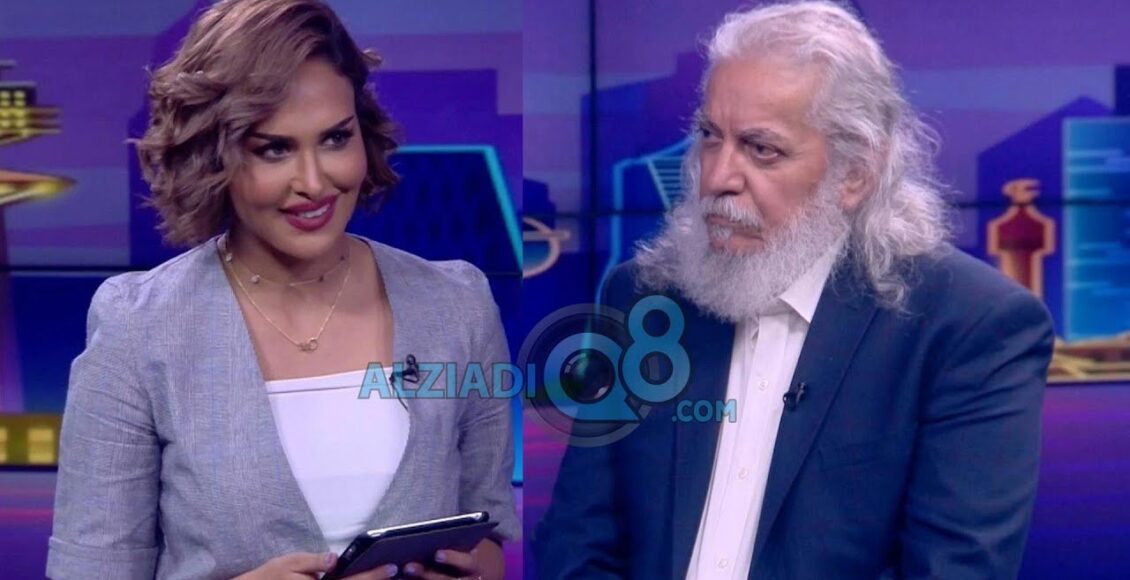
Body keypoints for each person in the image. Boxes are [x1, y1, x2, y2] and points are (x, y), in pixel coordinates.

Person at [533, 1, 1054, 578]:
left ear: (854, 174)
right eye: (710, 136)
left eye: (762, 149)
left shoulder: (970, 327)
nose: (717, 177)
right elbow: (576, 544)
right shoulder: (643, 297)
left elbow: (953, 570)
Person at [46, 1, 518, 578]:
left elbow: (490, 534)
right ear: (213, 156)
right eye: (274, 149)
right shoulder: (140, 327)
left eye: (336, 139)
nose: (314, 182)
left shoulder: (457, 306)